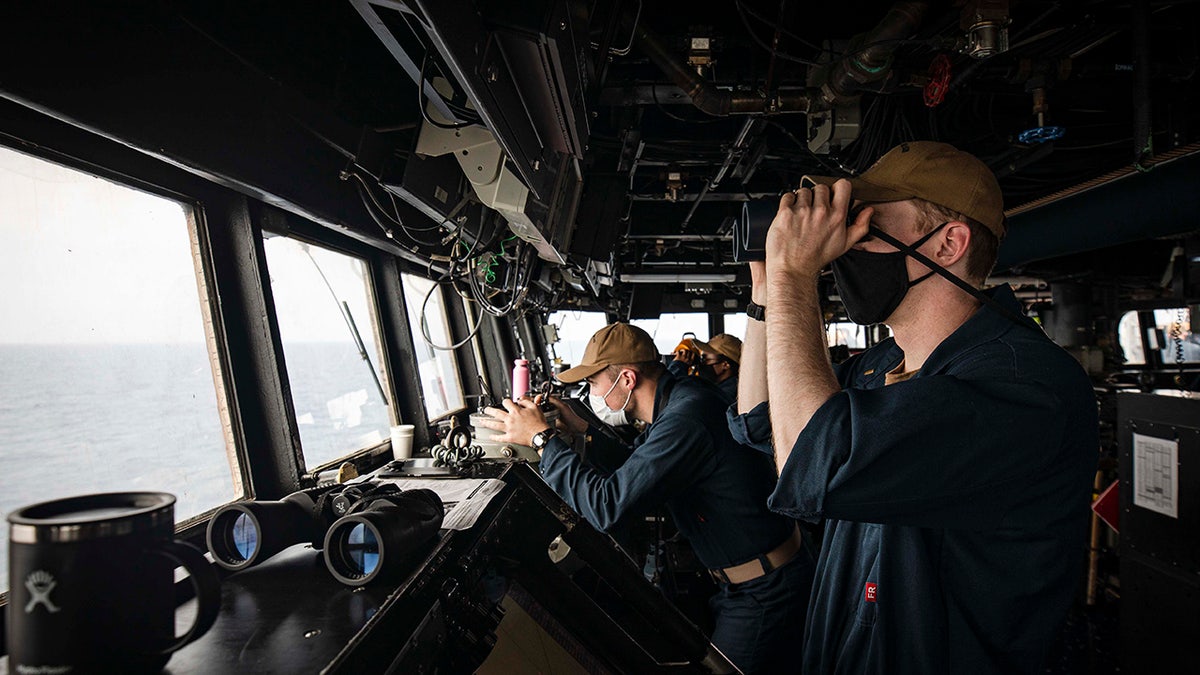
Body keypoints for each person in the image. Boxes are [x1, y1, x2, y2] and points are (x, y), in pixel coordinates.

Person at [729, 141, 1098, 674]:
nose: (847, 242)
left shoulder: (1025, 387)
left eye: (866, 221)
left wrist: (796, 277)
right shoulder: (884, 365)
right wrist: (768, 293)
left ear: (948, 243)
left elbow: (815, 464)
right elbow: (765, 426)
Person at [479, 322, 815, 674]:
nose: (591, 392)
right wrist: (582, 428)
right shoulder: (681, 399)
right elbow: (634, 466)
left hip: (765, 590)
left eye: (593, 383)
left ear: (627, 379)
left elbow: (608, 507)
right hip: (747, 581)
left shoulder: (686, 418)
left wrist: (542, 441)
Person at [670, 333, 742, 401]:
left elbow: (668, 392)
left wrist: (678, 366)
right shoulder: (718, 387)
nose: (701, 364)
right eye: (701, 358)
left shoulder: (728, 392)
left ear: (725, 365)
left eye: (706, 359)